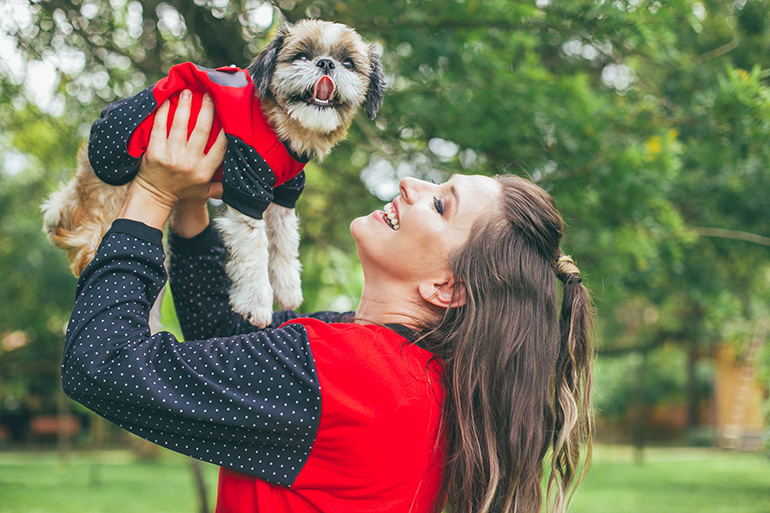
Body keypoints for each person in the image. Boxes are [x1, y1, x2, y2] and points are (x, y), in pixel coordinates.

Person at [61, 90, 594, 513]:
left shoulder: (352, 374)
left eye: (441, 203)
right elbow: (230, 339)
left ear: (447, 289)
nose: (410, 183)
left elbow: (102, 364)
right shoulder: (404, 374)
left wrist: (150, 197)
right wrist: (190, 206)